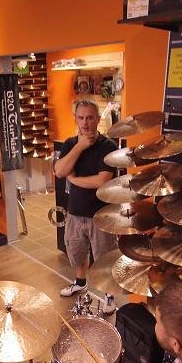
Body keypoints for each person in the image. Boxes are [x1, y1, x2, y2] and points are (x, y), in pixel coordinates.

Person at [53, 99, 118, 298]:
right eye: (80, 118)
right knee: (77, 253)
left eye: (90, 117)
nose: (85, 122)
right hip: (75, 211)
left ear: (98, 119)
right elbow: (59, 171)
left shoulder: (108, 146)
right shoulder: (70, 144)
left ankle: (109, 296)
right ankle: (80, 284)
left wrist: (74, 179)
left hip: (101, 214)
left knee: (104, 258)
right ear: (75, 119)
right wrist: (79, 146)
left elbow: (102, 181)